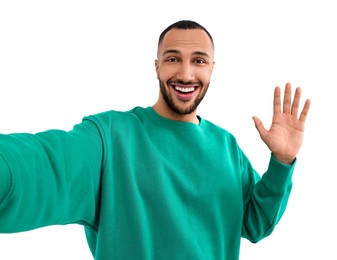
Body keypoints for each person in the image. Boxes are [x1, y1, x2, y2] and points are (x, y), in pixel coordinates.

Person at [0, 20, 311, 260]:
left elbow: (255, 223)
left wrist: (281, 163)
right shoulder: (111, 137)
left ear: (212, 70)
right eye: (173, 59)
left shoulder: (226, 146)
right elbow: (45, 166)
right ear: (157, 67)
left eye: (199, 61)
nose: (187, 74)